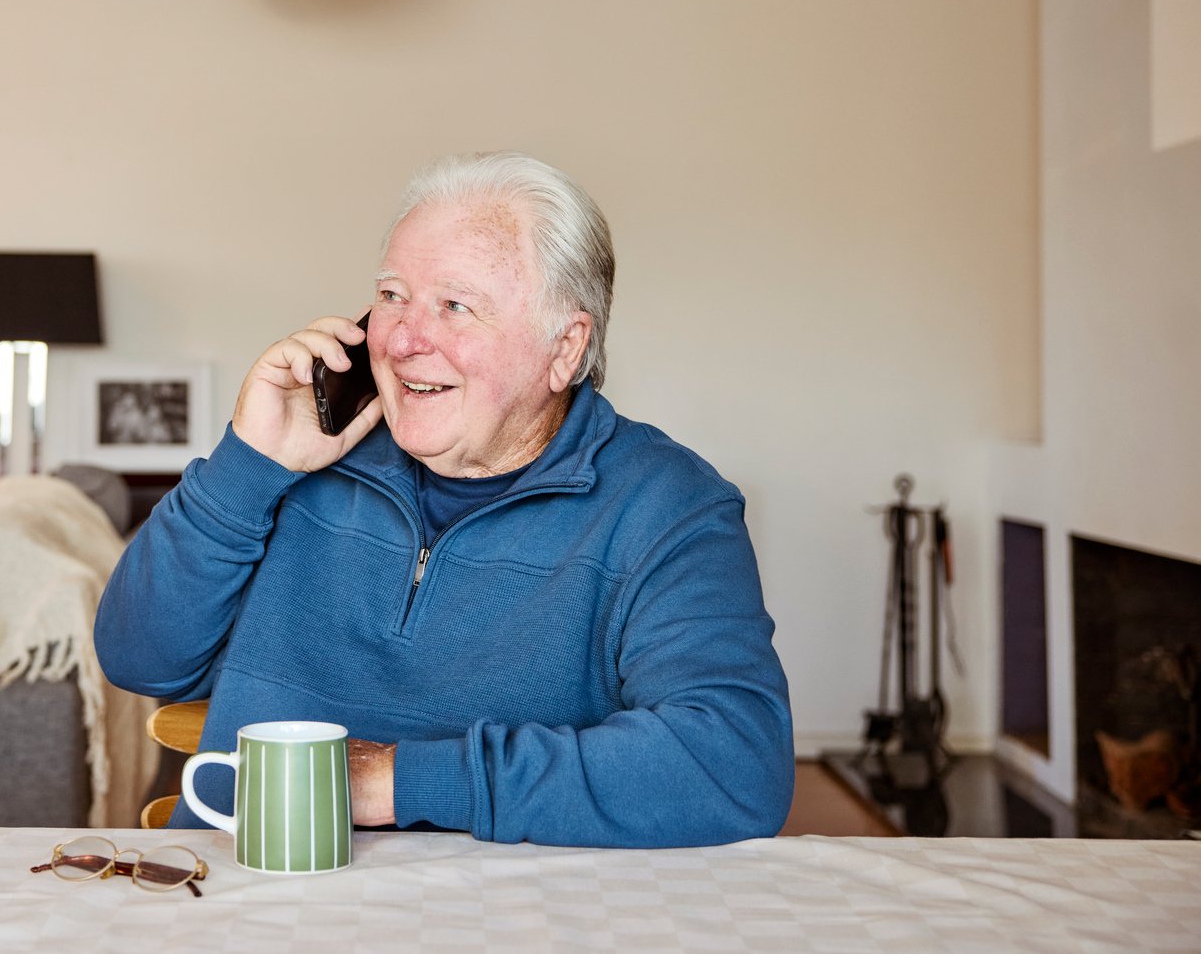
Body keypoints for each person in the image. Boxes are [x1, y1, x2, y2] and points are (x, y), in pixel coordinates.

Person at [93, 152, 794, 847]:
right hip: (253, 900)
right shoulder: (293, 459)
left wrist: (397, 781)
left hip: (511, 917)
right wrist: (246, 465)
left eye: (455, 305)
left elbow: (732, 761)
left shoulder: (668, 507)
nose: (401, 340)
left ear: (566, 349)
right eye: (392, 295)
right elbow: (137, 656)